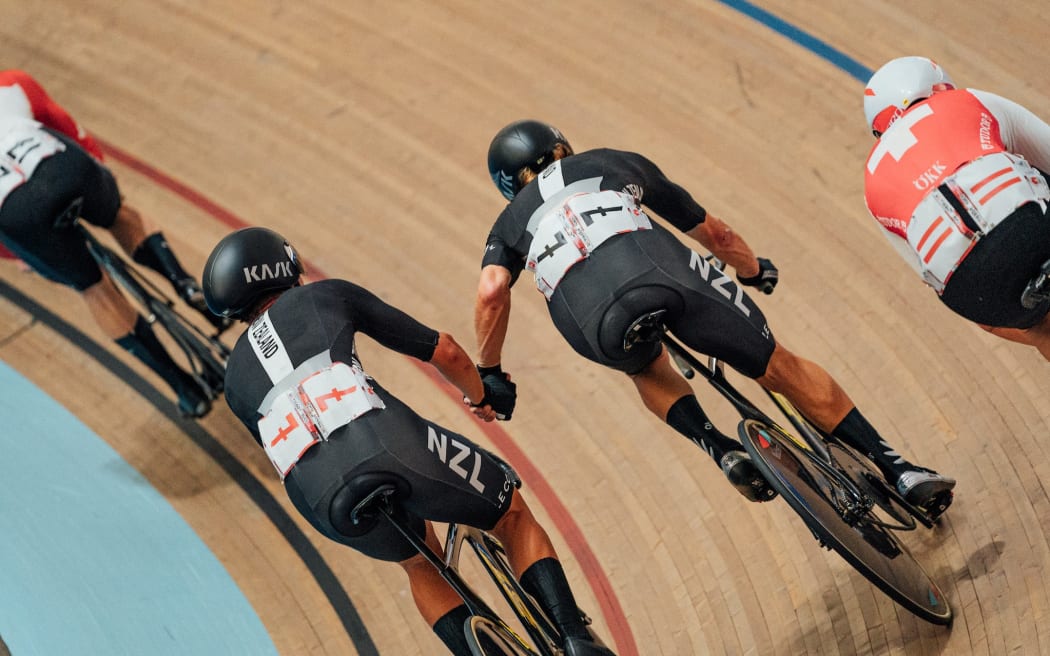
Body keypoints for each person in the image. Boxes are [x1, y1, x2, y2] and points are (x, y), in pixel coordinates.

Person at [474, 119, 955, 519]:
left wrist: (490, 373)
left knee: (644, 368)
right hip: (657, 271)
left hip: (590, 319)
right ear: (563, 148)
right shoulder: (606, 161)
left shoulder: (507, 225)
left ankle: (719, 448)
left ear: (504, 186)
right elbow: (715, 233)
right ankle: (899, 471)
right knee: (777, 366)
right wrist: (753, 270)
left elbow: (492, 291)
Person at [201, 227, 615, 656]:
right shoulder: (324, 295)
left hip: (321, 500)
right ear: (282, 268)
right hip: (387, 444)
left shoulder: (234, 382)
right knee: (508, 511)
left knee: (419, 564)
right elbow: (446, 352)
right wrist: (482, 394)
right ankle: (576, 639)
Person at [0, 69, 223, 417]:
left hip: (18, 212)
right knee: (119, 214)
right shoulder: (11, 83)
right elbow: (69, 129)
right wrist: (103, 183)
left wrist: (22, 257)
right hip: (64, 167)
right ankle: (185, 285)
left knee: (93, 287)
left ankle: (183, 386)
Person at [862, 56, 1050, 361]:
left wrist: (1036, 328)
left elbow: (932, 277)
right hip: (1024, 225)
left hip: (970, 291)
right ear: (938, 88)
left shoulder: (870, 183)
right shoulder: (965, 100)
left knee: (1037, 324)